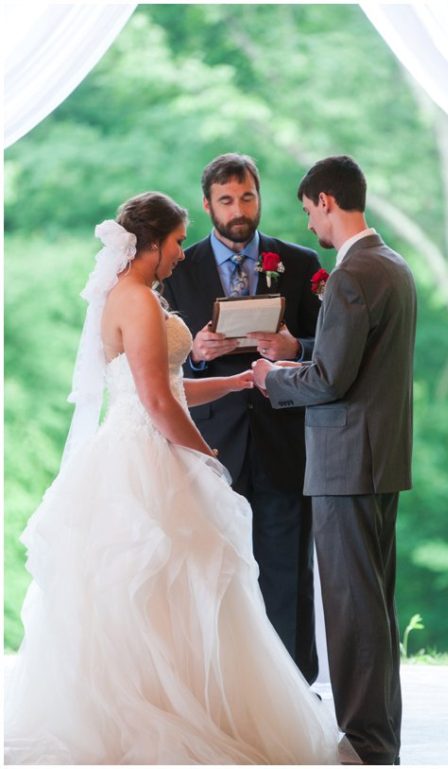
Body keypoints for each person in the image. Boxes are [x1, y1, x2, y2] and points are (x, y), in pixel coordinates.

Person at [4, 193, 337, 763]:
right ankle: (151, 717)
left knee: (184, 589)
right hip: (144, 460)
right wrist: (204, 451)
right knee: (156, 585)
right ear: (152, 243)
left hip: (150, 443)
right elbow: (157, 403)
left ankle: (192, 703)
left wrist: (232, 384)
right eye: (179, 242)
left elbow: (167, 387)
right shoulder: (133, 300)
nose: (183, 254)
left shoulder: (139, 297)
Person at [252, 156, 417, 766]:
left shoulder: (351, 275)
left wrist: (275, 377)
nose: (310, 224)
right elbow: (357, 356)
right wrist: (302, 346)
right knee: (371, 603)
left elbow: (328, 381)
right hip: (380, 459)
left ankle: (366, 743)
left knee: (351, 608)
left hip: (346, 460)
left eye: (307, 210)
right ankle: (380, 738)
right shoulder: (391, 265)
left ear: (325, 200)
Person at [163, 153, 323, 684]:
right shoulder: (176, 268)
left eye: (247, 197)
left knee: (285, 568)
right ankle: (218, 688)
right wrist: (198, 352)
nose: (238, 209)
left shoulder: (300, 264)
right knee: (214, 570)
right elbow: (157, 360)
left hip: (284, 437)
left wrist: (292, 344)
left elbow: (329, 353)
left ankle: (293, 693)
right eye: (226, 200)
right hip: (211, 443)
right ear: (207, 204)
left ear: (260, 197)